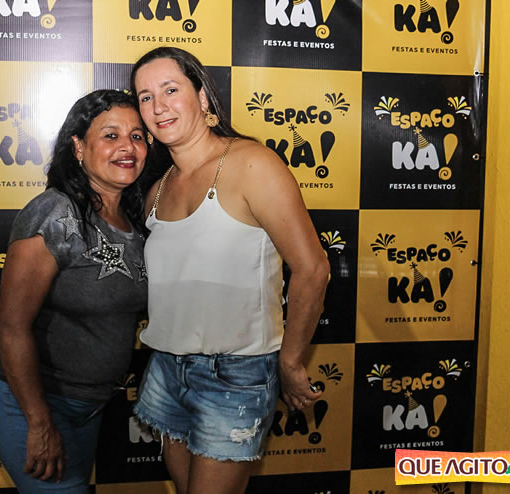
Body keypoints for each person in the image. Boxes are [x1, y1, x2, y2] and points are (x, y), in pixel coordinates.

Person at [130, 47, 331, 494]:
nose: (158, 106)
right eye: (145, 97)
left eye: (170, 90)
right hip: (165, 368)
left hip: (236, 375)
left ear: (202, 97)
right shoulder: (157, 190)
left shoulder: (251, 164)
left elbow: (313, 268)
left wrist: (291, 362)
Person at [0, 89, 149, 494]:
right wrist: (39, 422)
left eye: (137, 136)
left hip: (89, 407)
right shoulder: (55, 214)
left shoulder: (135, 219)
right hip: (30, 403)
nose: (127, 147)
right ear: (78, 147)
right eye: (111, 136)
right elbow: (11, 325)